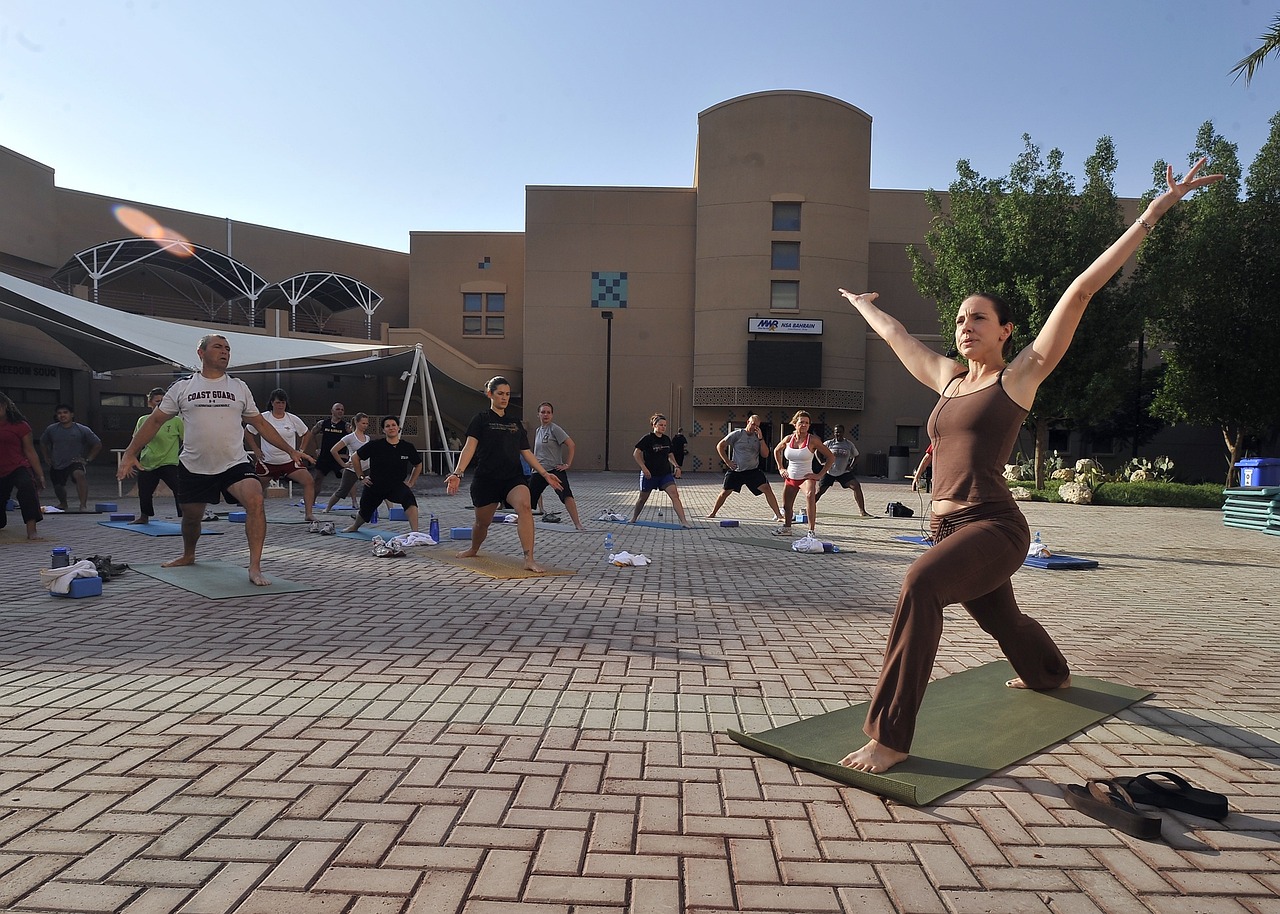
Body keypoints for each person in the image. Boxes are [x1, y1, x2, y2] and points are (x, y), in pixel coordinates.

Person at [835, 156, 1223, 774]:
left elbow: (1081, 291)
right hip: (946, 527)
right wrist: (862, 305)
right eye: (960, 319)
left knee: (921, 585)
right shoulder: (949, 380)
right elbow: (896, 336)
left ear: (1006, 330)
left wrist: (1152, 213)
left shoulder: (1020, 378)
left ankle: (890, 735)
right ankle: (1049, 673)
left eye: (978, 318)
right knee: (1002, 616)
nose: (965, 326)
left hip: (994, 525)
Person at [117, 334, 315, 586]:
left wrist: (290, 450)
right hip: (194, 465)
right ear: (201, 353)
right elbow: (155, 421)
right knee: (191, 518)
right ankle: (189, 554)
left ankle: (255, 567)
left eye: (228, 348)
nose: (224, 351)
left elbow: (260, 424)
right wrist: (131, 452)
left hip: (234, 463)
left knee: (255, 498)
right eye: (218, 347)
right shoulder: (182, 388)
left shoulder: (239, 387)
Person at [446, 377, 562, 572]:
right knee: (482, 523)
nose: (504, 397)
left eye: (507, 394)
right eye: (500, 393)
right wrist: (457, 474)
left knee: (524, 507)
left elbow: (525, 452)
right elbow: (469, 448)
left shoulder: (514, 422)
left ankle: (529, 559)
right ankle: (474, 548)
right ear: (489, 394)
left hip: (512, 478)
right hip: (487, 479)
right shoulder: (481, 419)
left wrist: (544, 474)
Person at [244, 389, 317, 522]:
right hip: (268, 460)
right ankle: (254, 513)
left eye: (282, 403)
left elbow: (307, 433)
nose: (280, 405)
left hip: (289, 460)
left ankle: (309, 513)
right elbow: (248, 432)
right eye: (277, 402)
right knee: (256, 488)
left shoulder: (292, 418)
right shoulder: (263, 418)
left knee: (309, 481)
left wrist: (300, 450)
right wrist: (255, 449)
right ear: (272, 403)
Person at [344, 415, 422, 534]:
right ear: (384, 430)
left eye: (393, 425)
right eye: (387, 426)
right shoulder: (376, 445)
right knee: (365, 512)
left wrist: (411, 481)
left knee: (409, 499)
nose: (391, 428)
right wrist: (361, 477)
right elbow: (355, 458)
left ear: (398, 428)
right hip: (375, 485)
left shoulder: (407, 447)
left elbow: (418, 464)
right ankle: (354, 526)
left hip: (396, 486)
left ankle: (416, 533)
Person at [706, 414, 785, 522]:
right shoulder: (737, 434)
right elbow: (720, 446)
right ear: (748, 422)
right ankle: (713, 512)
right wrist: (727, 461)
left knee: (767, 488)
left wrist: (761, 439)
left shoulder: (758, 437)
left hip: (752, 471)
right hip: (737, 470)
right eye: (753, 424)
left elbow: (765, 454)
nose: (754, 428)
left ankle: (779, 515)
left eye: (757, 426)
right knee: (725, 492)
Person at [771, 410, 833, 537]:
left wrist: (819, 475)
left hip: (806, 477)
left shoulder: (813, 440)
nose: (804, 425)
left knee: (810, 495)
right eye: (801, 422)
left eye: (807, 423)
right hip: (790, 477)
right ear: (795, 424)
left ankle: (811, 531)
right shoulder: (788, 439)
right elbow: (777, 450)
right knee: (787, 506)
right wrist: (781, 468)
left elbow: (831, 457)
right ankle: (787, 528)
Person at [527, 401, 587, 530]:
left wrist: (567, 464)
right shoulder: (538, 430)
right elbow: (537, 452)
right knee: (528, 498)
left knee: (566, 495)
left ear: (552, 415)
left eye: (548, 412)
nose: (546, 415)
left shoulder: (554, 429)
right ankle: (523, 521)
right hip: (540, 470)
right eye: (543, 412)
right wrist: (535, 466)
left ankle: (577, 523)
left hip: (555, 469)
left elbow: (571, 444)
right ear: (538, 414)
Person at [129, 387, 183, 524]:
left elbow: (187, 440)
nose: (160, 404)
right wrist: (131, 458)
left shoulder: (177, 421)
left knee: (180, 489)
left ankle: (184, 516)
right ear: (150, 403)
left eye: (163, 401)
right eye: (157, 401)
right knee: (144, 492)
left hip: (170, 462)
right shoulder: (143, 420)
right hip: (148, 462)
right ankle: (144, 516)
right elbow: (137, 441)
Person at [630, 413, 691, 527]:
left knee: (674, 495)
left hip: (664, 474)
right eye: (661, 425)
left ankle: (684, 521)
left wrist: (677, 466)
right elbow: (636, 453)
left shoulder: (666, 439)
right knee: (643, 498)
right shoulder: (647, 438)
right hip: (650, 474)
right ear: (654, 425)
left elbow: (670, 454)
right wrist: (644, 468)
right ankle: (634, 517)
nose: (663, 427)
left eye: (665, 425)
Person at [39, 404, 102, 512]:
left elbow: (97, 444)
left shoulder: (82, 429)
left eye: (65, 412)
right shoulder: (51, 429)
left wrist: (88, 459)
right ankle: (63, 504)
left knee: (79, 474)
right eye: (59, 413)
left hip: (75, 461)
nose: (62, 415)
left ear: (71, 415)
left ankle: (83, 505)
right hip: (57, 463)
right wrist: (46, 457)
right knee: (58, 486)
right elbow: (43, 443)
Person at [0, 390, 45, 540]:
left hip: (17, 467)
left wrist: (40, 475)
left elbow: (30, 451)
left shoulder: (20, 425)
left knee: (27, 487)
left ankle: (32, 530)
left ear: (5, 406)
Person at [815, 424, 872, 516]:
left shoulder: (848, 444)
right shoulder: (829, 443)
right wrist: (821, 461)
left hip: (843, 472)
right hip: (830, 471)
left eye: (840, 432)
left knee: (856, 486)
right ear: (834, 433)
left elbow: (857, 456)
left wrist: (851, 466)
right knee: (819, 491)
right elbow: (817, 450)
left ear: (843, 432)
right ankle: (808, 508)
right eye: (836, 432)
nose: (838, 434)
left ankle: (862, 511)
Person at [323, 412, 371, 513]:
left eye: (367, 423)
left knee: (377, 486)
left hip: (366, 468)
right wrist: (343, 464)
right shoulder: (350, 437)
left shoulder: (367, 438)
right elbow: (333, 450)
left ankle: (388, 509)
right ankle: (328, 508)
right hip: (352, 469)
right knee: (342, 491)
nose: (365, 426)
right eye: (363, 423)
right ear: (357, 423)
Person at [307, 402, 349, 496]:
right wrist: (317, 448)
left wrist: (348, 454)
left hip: (339, 457)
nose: (340, 411)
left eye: (342, 410)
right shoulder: (323, 423)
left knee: (348, 478)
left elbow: (353, 438)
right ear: (332, 411)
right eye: (338, 409)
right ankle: (312, 502)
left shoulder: (346, 426)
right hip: (325, 456)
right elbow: (312, 433)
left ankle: (355, 502)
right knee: (317, 478)